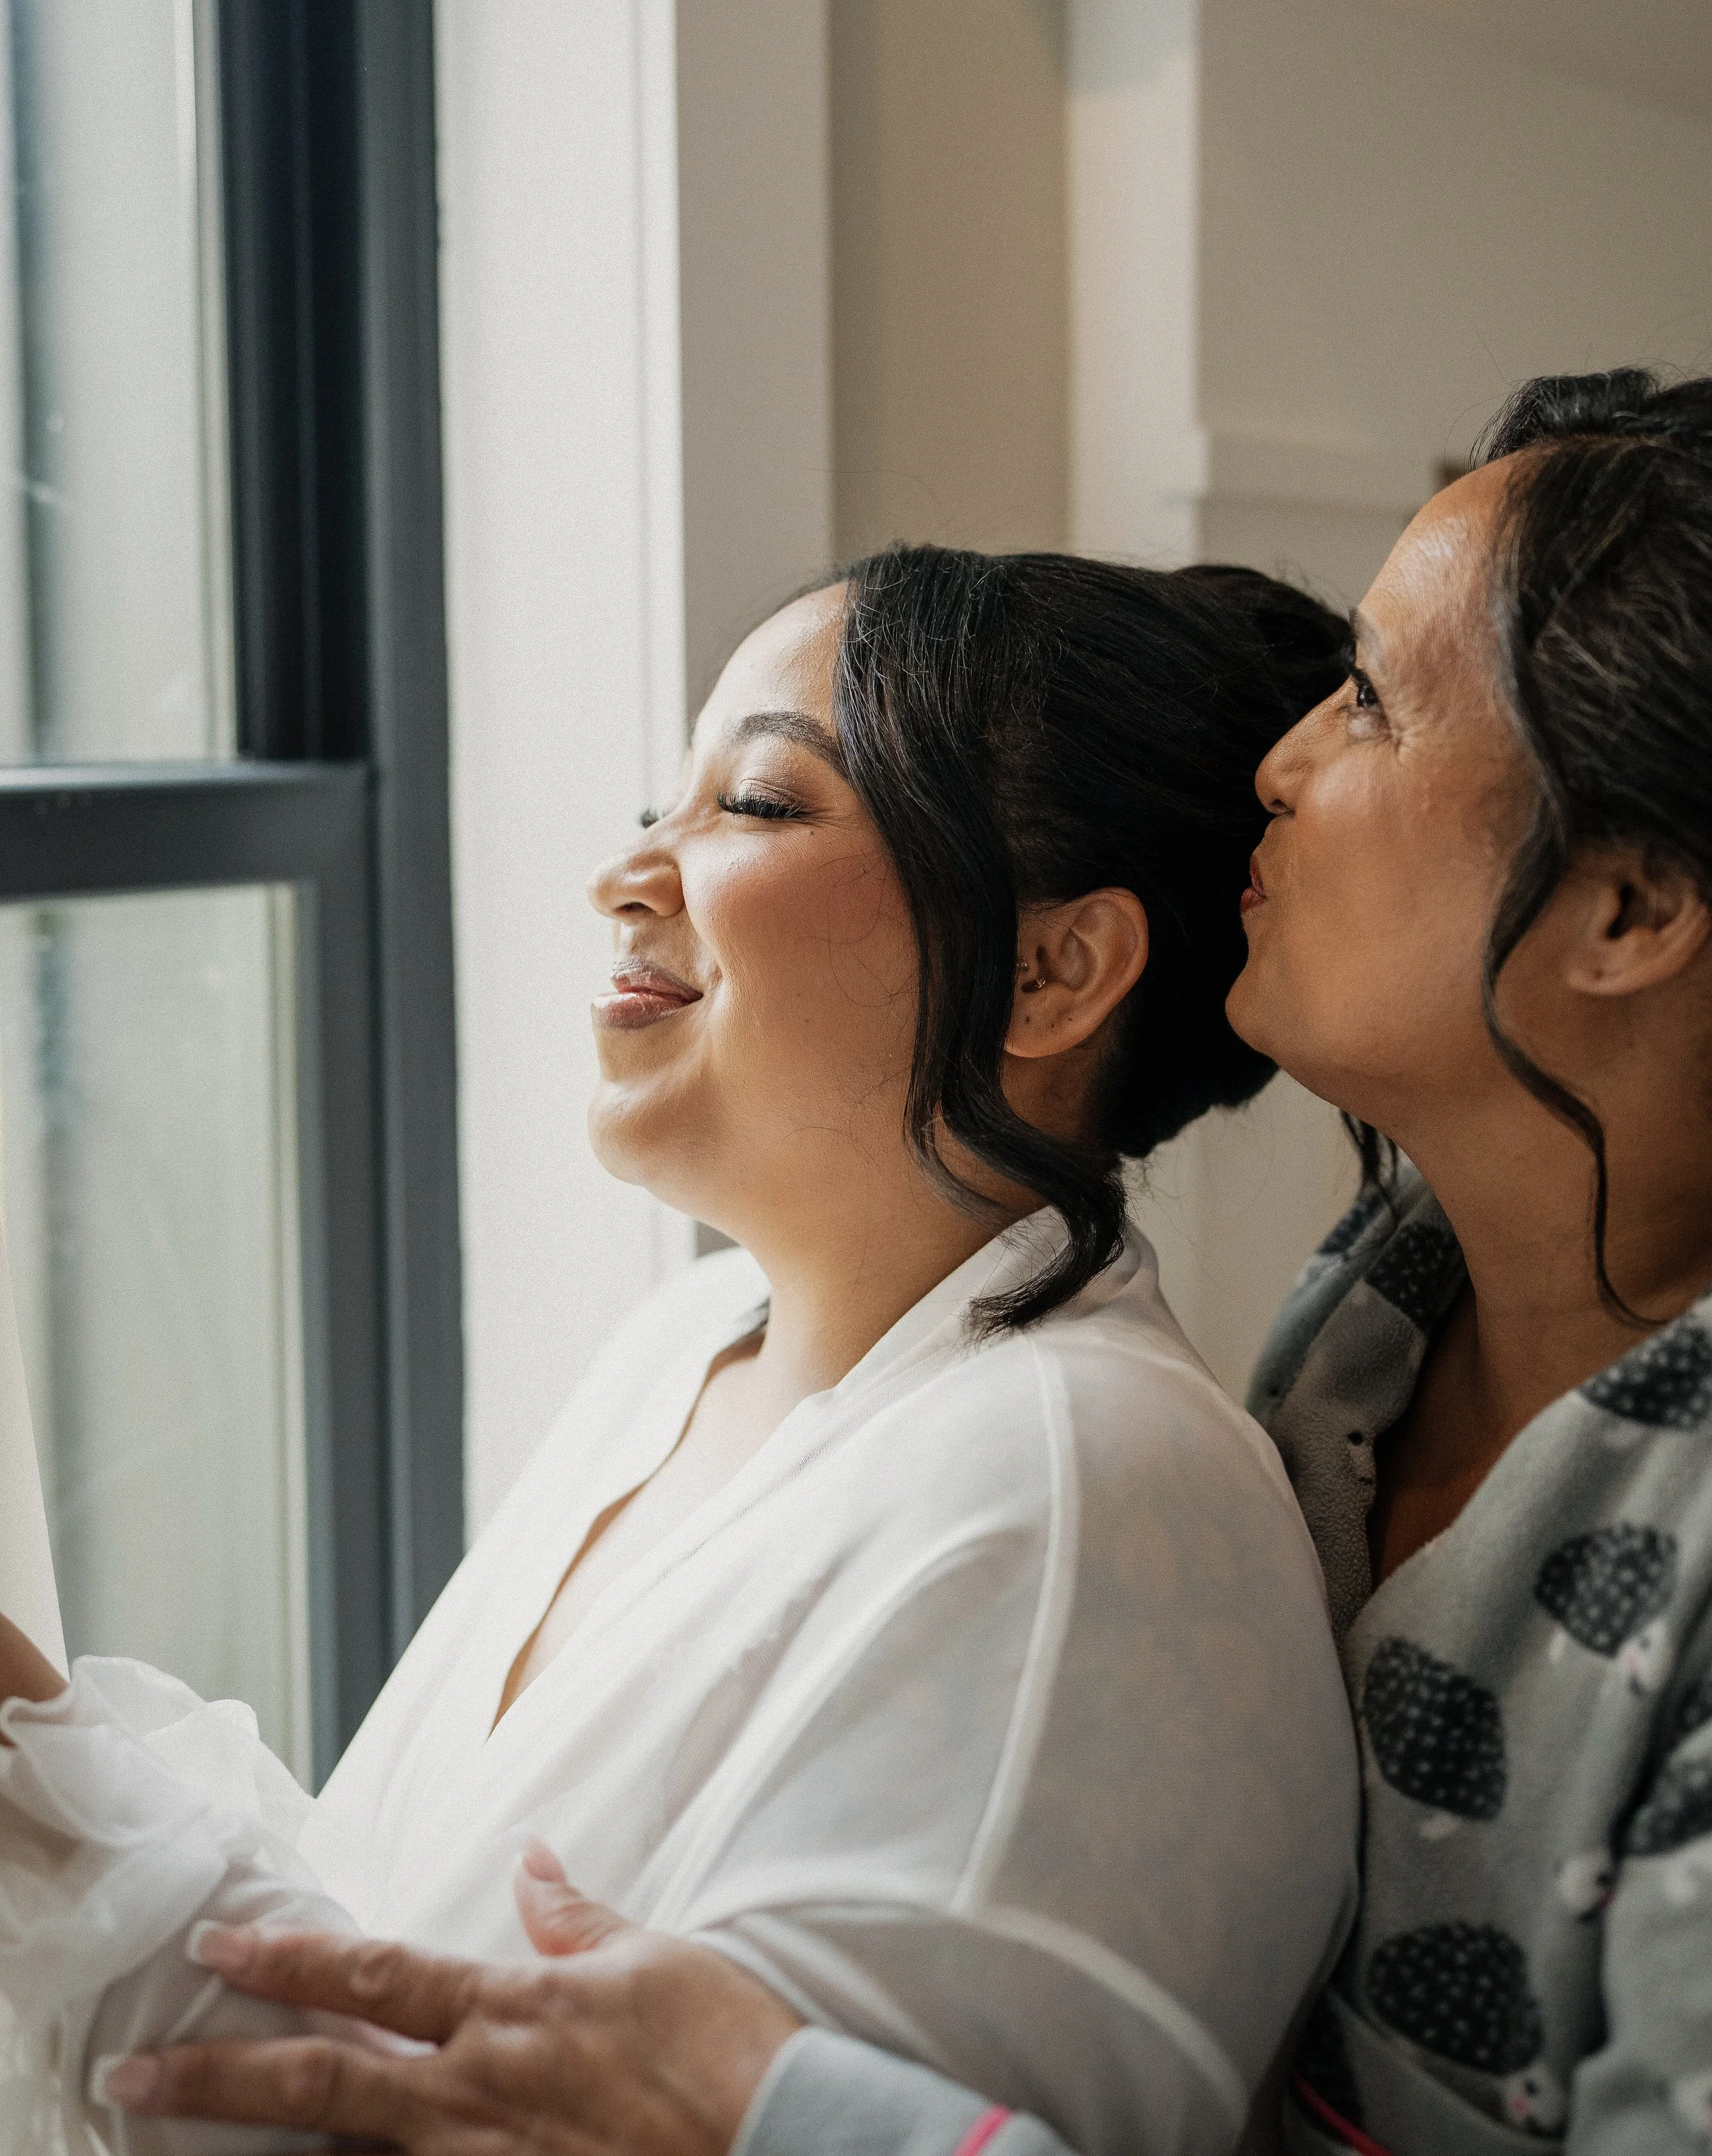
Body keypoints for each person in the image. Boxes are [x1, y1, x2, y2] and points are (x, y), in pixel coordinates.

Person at [107, 365, 1712, 2156]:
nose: (1281, 762)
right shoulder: (1364, 1336)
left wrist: (792, 2111)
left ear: (1629, 909)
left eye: (1373, 703)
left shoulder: (1097, 1471)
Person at [0, 547, 1358, 2156]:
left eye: (761, 805)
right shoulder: (693, 1344)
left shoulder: (1083, 1497)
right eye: (669, 797)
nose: (629, 872)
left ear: (1053, 970)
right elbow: (404, 2030)